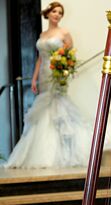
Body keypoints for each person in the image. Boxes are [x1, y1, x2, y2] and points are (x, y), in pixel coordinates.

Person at [3, 2, 92, 168]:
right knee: (43, 108)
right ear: (48, 13)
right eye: (55, 11)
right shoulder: (43, 34)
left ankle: (63, 151)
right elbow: (40, 58)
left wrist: (63, 69)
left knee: (57, 107)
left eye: (60, 12)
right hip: (44, 73)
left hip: (56, 74)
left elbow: (70, 56)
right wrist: (34, 79)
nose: (57, 14)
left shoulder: (64, 33)